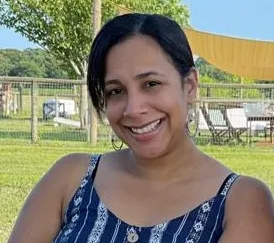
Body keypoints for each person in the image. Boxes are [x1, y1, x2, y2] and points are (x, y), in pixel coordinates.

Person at [8, 13, 274, 243]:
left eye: (151, 84)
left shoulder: (242, 202)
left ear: (190, 86)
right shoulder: (71, 178)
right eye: (116, 91)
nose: (133, 109)